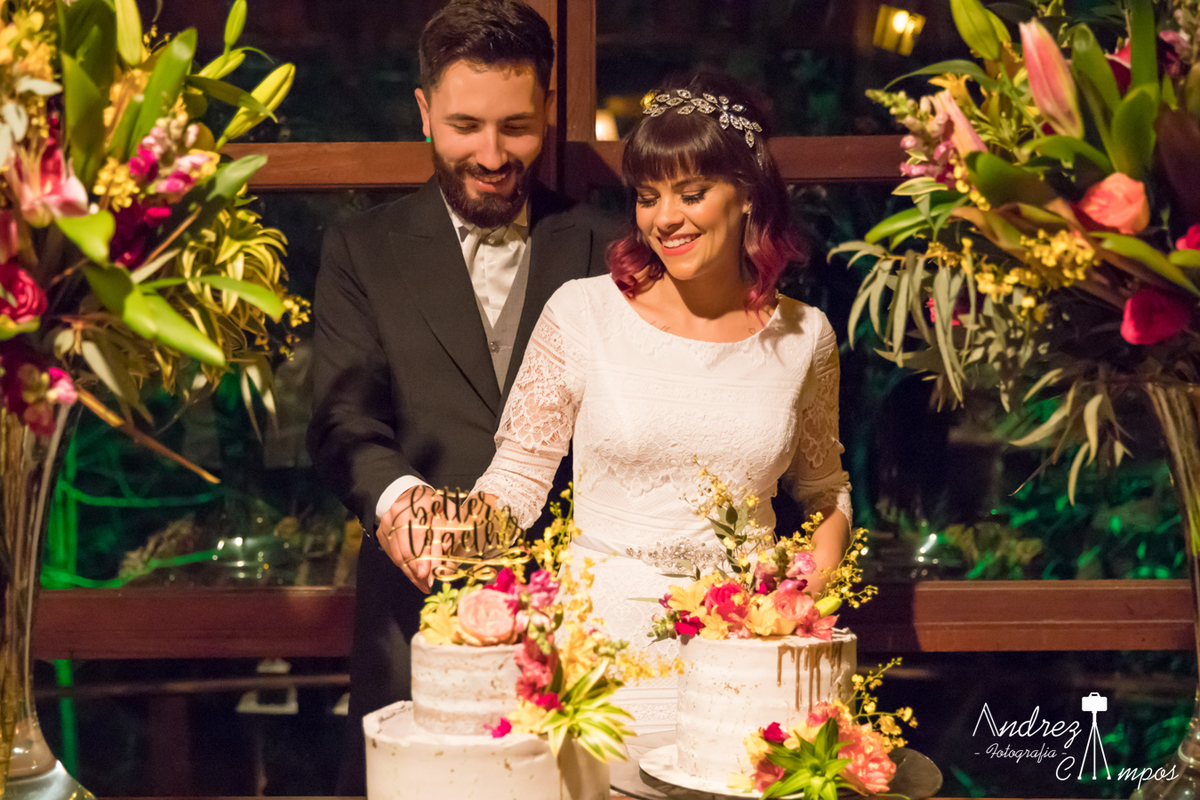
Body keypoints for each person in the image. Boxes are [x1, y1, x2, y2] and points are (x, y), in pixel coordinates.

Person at [470, 72, 853, 733]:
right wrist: (448, 540)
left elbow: (826, 494)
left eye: (692, 193)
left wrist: (802, 592)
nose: (665, 218)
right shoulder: (583, 313)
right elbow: (517, 477)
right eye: (648, 197)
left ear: (748, 197)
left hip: (746, 659)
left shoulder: (805, 336)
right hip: (602, 656)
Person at [306, 0, 614, 792]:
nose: (491, 153)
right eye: (465, 124)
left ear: (548, 108)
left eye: (515, 126)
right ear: (423, 112)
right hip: (413, 623)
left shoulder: (609, 246)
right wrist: (401, 504)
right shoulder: (361, 248)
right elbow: (343, 419)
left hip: (583, 628)